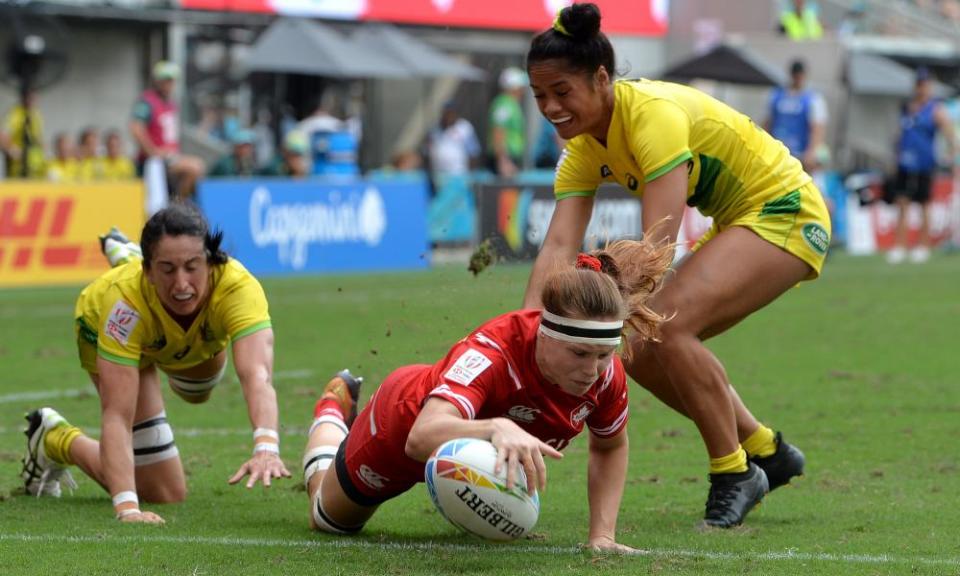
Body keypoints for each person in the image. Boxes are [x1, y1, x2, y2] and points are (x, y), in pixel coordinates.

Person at [523, 3, 828, 528]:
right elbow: (556, 248)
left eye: (561, 92)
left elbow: (656, 249)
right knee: (636, 350)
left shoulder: (651, 115)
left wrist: (600, 308)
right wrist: (526, 331)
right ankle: (766, 450)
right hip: (740, 218)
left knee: (668, 323)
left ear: (601, 79)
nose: (550, 106)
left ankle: (735, 471)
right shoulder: (580, 151)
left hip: (786, 209)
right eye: (540, 96)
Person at [301, 240, 672, 551]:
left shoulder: (606, 376)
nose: (591, 370)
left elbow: (609, 446)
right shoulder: (492, 354)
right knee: (327, 520)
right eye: (578, 354)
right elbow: (421, 437)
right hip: (401, 424)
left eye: (603, 356)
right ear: (544, 335)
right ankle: (333, 409)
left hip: (467, 448)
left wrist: (602, 535)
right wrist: (495, 427)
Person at [20, 204, 290, 524]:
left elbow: (257, 375)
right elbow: (118, 415)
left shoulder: (238, 287)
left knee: (198, 390)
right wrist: (127, 508)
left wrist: (266, 445)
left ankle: (130, 256)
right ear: (149, 271)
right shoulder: (122, 306)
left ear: (211, 261)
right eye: (167, 269)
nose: (181, 284)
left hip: (177, 334)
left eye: (192, 266)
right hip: (112, 328)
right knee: (163, 491)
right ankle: (54, 437)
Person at [887, 68, 957, 264]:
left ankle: (923, 246)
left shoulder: (935, 110)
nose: (922, 88)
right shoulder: (907, 108)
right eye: (919, 84)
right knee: (902, 203)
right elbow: (898, 136)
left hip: (925, 164)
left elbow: (951, 136)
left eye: (925, 84)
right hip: (904, 163)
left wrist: (949, 157)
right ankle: (899, 246)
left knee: (924, 204)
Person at [130, 61, 206, 200]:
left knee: (196, 173)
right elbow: (136, 128)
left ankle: (177, 204)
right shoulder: (147, 102)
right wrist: (153, 152)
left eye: (171, 81)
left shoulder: (171, 104)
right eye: (165, 80)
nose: (169, 84)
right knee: (195, 168)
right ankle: (176, 206)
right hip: (155, 160)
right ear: (157, 81)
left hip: (171, 157)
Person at [765, 59, 828, 172]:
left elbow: (817, 127)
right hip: (778, 151)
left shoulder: (812, 99)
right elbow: (768, 122)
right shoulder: (777, 96)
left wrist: (812, 151)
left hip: (801, 153)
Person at [487, 67, 528, 179]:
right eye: (521, 86)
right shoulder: (504, 104)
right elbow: (498, 130)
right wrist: (503, 160)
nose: (523, 90)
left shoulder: (510, 103)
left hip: (509, 157)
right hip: (505, 158)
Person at [426, 101, 481, 178]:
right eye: (447, 113)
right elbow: (428, 152)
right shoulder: (434, 129)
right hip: (439, 174)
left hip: (459, 174)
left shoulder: (464, 128)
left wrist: (470, 176)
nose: (449, 116)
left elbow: (473, 153)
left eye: (451, 113)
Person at [2, 86, 46, 179]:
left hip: (35, 162)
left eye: (34, 98)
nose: (32, 101)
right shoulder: (14, 113)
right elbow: (2, 134)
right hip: (19, 164)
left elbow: (37, 136)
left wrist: (42, 146)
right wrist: (12, 149)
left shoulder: (36, 113)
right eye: (30, 98)